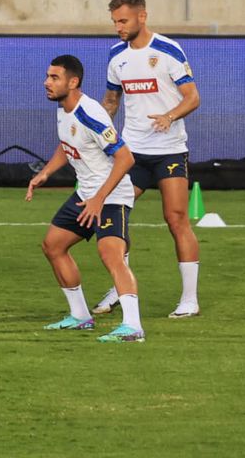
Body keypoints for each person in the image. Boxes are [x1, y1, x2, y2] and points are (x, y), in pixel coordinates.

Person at [93, 0, 202, 319]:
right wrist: (96, 135)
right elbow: (111, 101)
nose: (118, 27)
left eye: (123, 21)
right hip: (132, 153)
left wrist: (169, 116)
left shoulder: (168, 50)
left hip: (169, 151)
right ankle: (120, 286)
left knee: (176, 219)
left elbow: (192, 97)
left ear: (142, 16)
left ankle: (190, 299)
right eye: (115, 22)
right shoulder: (116, 55)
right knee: (116, 215)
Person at [27, 55, 144, 343]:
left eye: (54, 77)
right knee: (53, 246)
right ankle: (80, 317)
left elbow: (126, 158)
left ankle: (133, 327)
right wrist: (46, 173)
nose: (46, 82)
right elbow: (66, 144)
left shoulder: (90, 113)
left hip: (111, 195)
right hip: (86, 194)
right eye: (47, 76)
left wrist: (99, 199)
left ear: (73, 82)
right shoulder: (63, 109)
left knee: (111, 255)